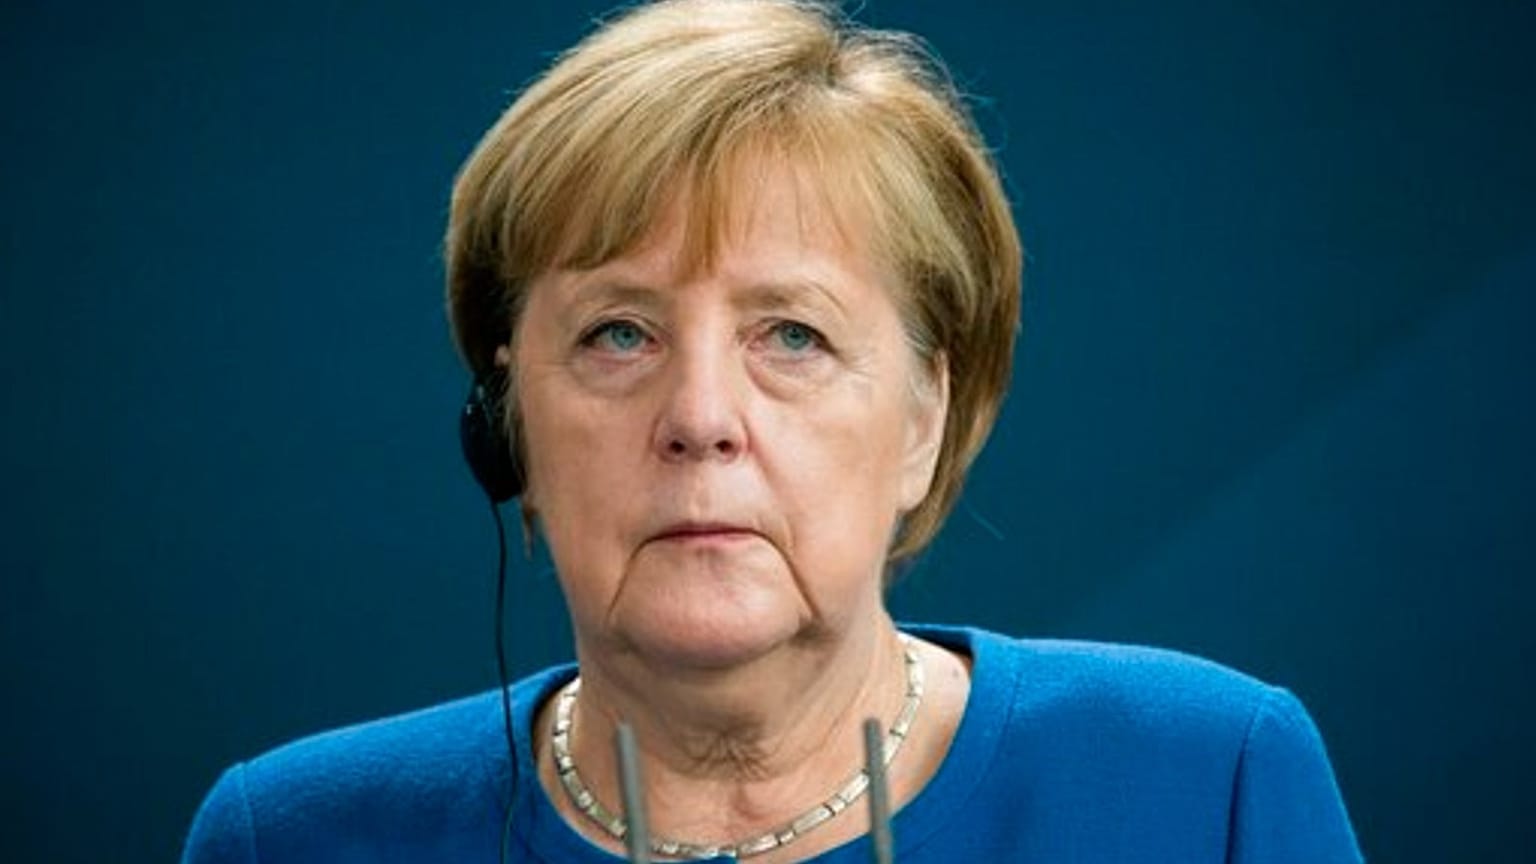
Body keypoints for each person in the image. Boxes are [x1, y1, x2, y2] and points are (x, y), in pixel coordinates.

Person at [181, 1, 1362, 861]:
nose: (700, 420)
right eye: (619, 335)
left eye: (791, 335)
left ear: (923, 417)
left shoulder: (1208, 783)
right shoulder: (285, 836)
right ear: (508, 427)